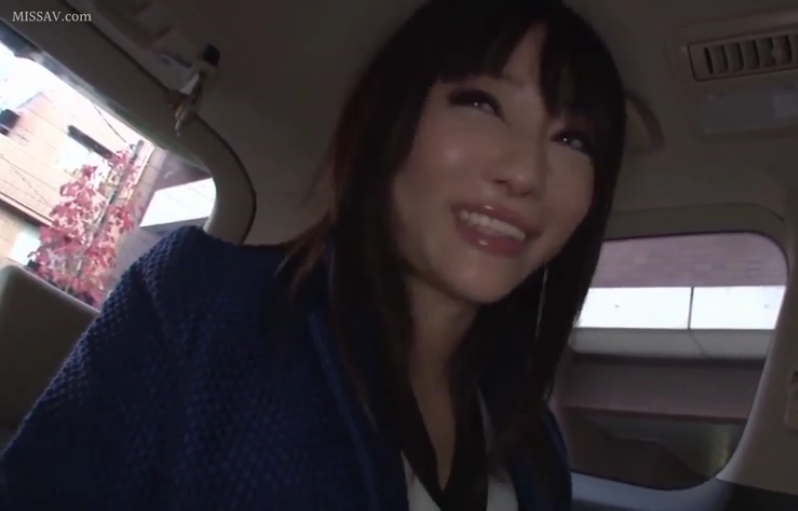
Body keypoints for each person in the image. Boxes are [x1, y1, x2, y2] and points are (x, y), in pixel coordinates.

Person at [0, 0, 626, 509]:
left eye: (573, 139)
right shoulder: (198, 307)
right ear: (391, 118)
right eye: (483, 104)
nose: (526, 173)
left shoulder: (535, 445)